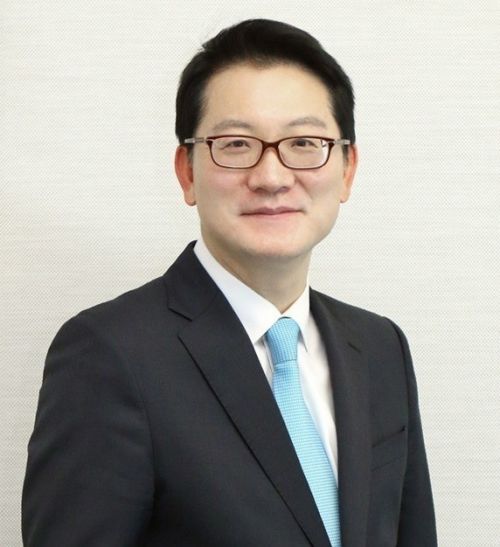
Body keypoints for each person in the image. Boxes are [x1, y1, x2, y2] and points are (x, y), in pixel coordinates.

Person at [22, 19, 437, 547]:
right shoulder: (108, 355)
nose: (272, 177)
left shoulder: (380, 348)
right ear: (187, 172)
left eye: (304, 142)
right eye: (236, 144)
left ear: (347, 169)